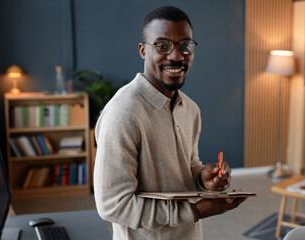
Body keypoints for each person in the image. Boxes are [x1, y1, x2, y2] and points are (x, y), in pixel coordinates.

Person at [94, 5, 247, 240]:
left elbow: (189, 164)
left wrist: (202, 178)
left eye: (185, 45)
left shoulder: (191, 109)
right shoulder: (122, 113)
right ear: (143, 50)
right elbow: (113, 205)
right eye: (162, 46)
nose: (176, 56)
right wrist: (193, 210)